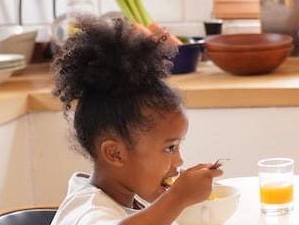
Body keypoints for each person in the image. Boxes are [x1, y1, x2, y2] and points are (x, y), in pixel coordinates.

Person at [50, 17, 222, 225]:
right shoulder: (87, 210)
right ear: (115, 154)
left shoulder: (137, 204)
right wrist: (177, 198)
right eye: (169, 148)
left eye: (177, 147)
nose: (179, 162)